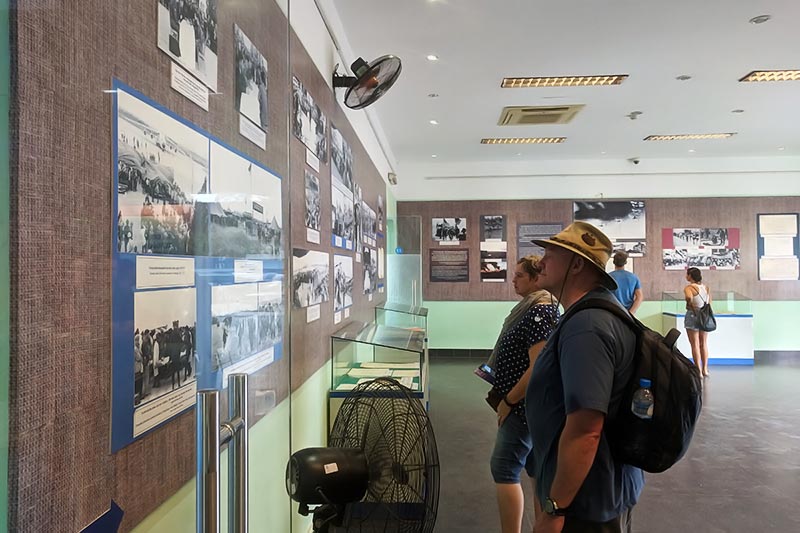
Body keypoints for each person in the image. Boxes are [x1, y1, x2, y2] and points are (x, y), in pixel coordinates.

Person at [526, 222, 644, 533]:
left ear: (577, 264)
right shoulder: (595, 314)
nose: (541, 261)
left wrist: (555, 508)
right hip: (595, 487)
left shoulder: (587, 326)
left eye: (551, 253)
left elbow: (586, 429)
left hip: (584, 500)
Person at [488, 256, 559, 533]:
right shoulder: (533, 308)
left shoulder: (540, 312)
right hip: (526, 407)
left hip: (523, 408)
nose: (513, 280)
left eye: (519, 275)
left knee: (504, 467)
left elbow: (538, 367)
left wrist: (509, 400)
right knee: (536, 470)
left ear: (535, 279)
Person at [683, 267, 712, 377]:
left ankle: (698, 371)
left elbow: (688, 298)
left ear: (690, 276)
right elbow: (709, 302)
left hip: (692, 315)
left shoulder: (689, 288)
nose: (686, 276)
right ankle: (705, 369)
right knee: (703, 343)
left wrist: (689, 303)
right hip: (705, 315)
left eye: (687, 274)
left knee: (694, 344)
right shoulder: (706, 288)